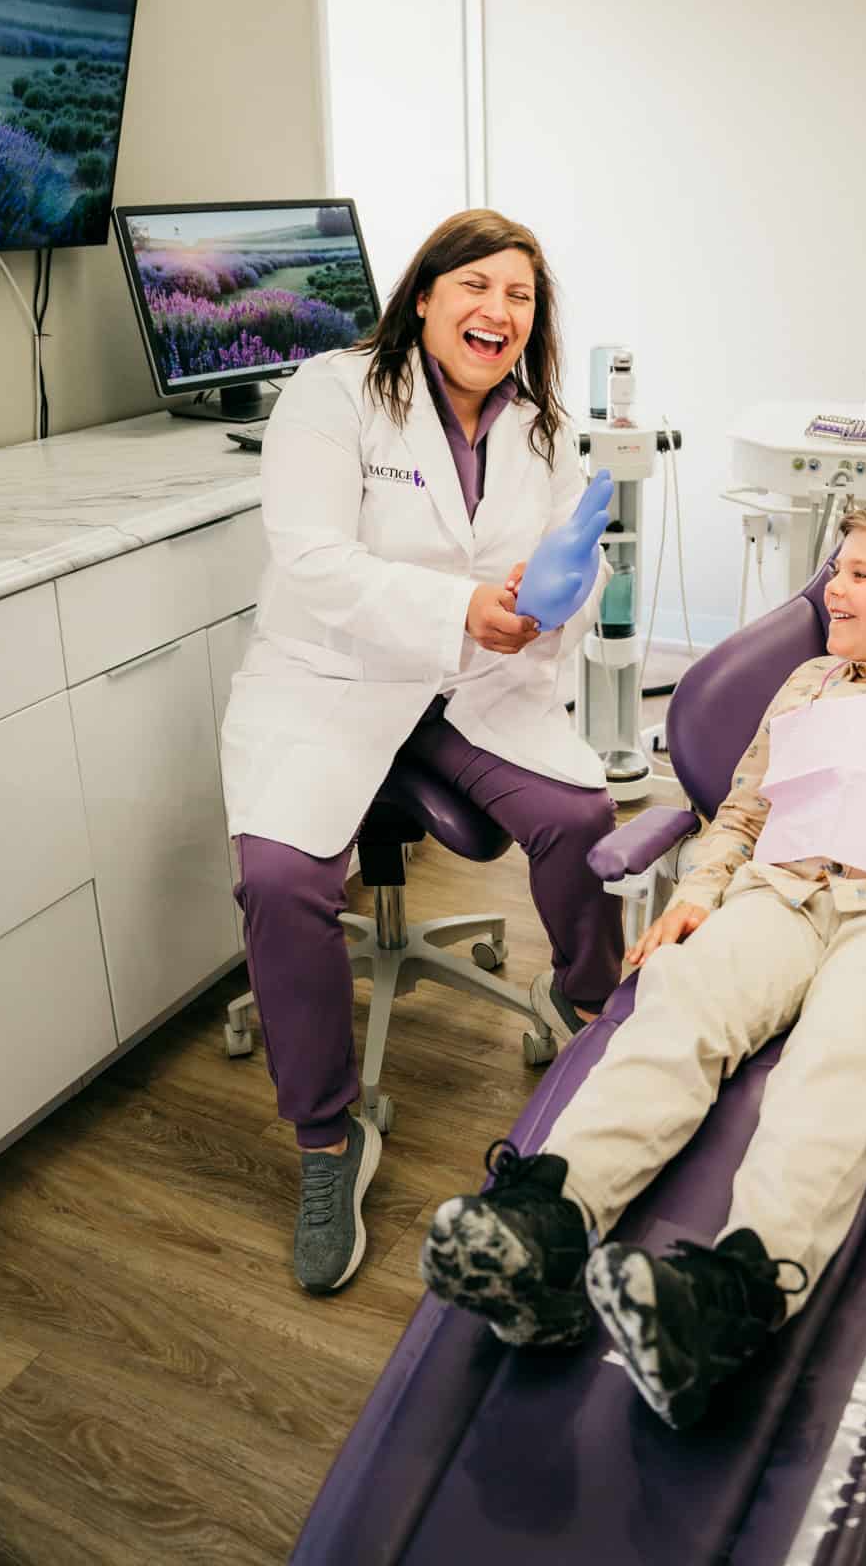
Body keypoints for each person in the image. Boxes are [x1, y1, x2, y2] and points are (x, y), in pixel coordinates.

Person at [419, 499, 866, 1429]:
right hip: (778, 895)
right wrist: (700, 895)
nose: (832, 585)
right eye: (839, 566)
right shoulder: (812, 683)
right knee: (677, 1007)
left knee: (841, 1069)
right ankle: (548, 1229)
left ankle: (732, 1299)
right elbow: (742, 814)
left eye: (860, 573)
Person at [220, 209, 623, 1295]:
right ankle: (326, 1140)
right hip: (335, 680)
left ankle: (589, 1013)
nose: (497, 311)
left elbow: (564, 571)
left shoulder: (541, 426)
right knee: (279, 878)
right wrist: (463, 608)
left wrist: (548, 611)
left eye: (521, 297)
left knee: (580, 819)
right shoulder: (335, 392)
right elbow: (309, 559)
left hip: (472, 688)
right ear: (428, 293)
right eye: (476, 286)